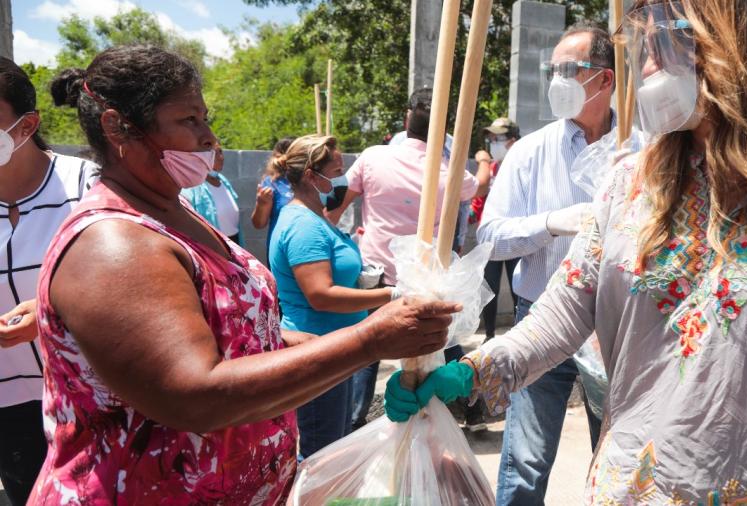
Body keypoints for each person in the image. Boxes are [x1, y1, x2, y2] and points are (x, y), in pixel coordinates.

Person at [390, 0, 747, 503]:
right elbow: (559, 319)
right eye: (642, 45)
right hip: (629, 490)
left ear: (734, 44)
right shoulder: (628, 186)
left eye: (665, 41)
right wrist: (470, 374)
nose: (647, 64)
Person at [31, 45, 460, 504]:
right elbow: (194, 396)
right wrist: (368, 342)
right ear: (118, 125)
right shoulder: (112, 244)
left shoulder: (174, 214)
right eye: (189, 120)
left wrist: (354, 356)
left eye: (205, 118)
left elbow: (250, 337)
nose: (209, 137)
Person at [473, 22, 628, 504]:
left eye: (569, 69)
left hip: (614, 330)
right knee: (525, 461)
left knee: (620, 458)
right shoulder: (530, 153)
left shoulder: (643, 149)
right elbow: (490, 238)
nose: (556, 79)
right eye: (553, 69)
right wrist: (551, 223)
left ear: (604, 79)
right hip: (540, 317)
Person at [328, 87, 489, 431]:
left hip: (375, 279)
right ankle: (468, 409)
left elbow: (338, 207)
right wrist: (486, 159)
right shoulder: (450, 171)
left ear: (406, 120)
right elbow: (480, 187)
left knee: (366, 352)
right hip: (423, 284)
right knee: (437, 342)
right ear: (442, 130)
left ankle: (352, 425)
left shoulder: (373, 158)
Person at [0, 57, 96, 506]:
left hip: (89, 402)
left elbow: (137, 282)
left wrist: (50, 310)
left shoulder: (88, 186)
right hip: (9, 410)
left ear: (26, 125)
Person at [268, 134, 398, 458]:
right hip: (317, 348)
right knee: (320, 453)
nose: (342, 177)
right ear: (311, 176)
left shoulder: (315, 219)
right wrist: (390, 295)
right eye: (336, 169)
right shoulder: (303, 226)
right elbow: (320, 295)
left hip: (334, 348)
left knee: (334, 447)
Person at [471, 117, 521, 340]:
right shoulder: (490, 169)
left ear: (513, 140)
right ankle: (489, 335)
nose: (493, 142)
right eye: (491, 138)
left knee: (518, 287)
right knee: (489, 288)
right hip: (491, 237)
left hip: (517, 235)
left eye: (498, 138)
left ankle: (522, 333)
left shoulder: (522, 165)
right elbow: (479, 201)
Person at [181, 142, 242, 244]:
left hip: (234, 242)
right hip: (213, 246)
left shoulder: (223, 181)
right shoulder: (192, 186)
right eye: (215, 153)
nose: (221, 157)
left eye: (221, 152)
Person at [251, 136, 296, 247]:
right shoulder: (272, 183)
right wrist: (261, 204)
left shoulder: (310, 180)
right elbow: (259, 224)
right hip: (281, 246)